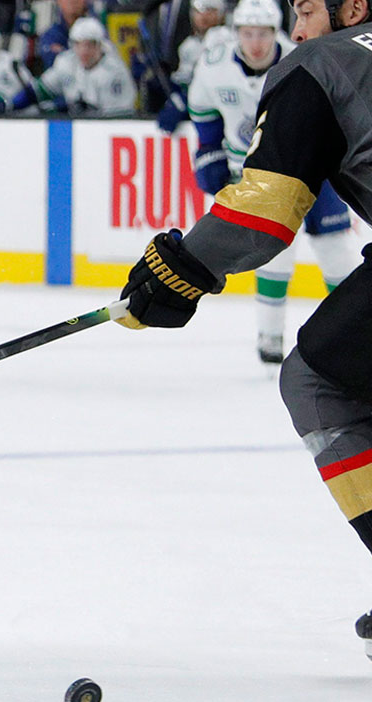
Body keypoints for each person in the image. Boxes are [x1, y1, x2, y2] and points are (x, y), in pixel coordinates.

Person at [115, 0, 372, 660]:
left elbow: (262, 217)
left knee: (321, 381)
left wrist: (180, 269)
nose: (296, 27)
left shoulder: (321, 63)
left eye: (305, 9)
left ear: (354, 7)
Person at [186, 0, 357, 366]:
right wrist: (208, 151)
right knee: (272, 253)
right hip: (255, 171)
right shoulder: (214, 66)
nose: (256, 43)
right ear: (235, 33)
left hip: (313, 168)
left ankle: (355, 334)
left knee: (336, 251)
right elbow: (203, 111)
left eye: (263, 34)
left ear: (276, 32)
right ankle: (269, 334)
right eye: (247, 33)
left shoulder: (305, 57)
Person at [14, 16, 136, 116]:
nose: (84, 51)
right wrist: (11, 105)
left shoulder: (115, 72)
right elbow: (39, 91)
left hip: (102, 132)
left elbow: (119, 118)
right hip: (74, 128)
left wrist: (88, 112)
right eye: (78, 44)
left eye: (90, 45)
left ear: (100, 45)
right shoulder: (67, 62)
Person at [155, 0, 231, 133]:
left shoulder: (227, 40)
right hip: (198, 112)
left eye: (210, 10)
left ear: (221, 14)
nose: (203, 16)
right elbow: (184, 81)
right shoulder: (188, 46)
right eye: (198, 11)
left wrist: (185, 99)